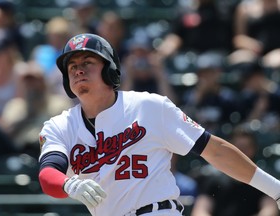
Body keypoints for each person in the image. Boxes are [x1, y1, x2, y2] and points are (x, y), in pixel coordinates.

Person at [38, 33, 280, 216]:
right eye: (72, 66)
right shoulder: (59, 126)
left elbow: (214, 150)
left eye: (87, 62)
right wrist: (68, 184)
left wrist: (274, 188)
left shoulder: (149, 107)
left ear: (110, 69)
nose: (79, 70)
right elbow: (48, 176)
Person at [190, 125, 279, 216]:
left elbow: (269, 210)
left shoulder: (264, 179)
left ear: (254, 149)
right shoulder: (213, 179)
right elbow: (200, 211)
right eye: (238, 148)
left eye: (246, 147)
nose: (242, 152)